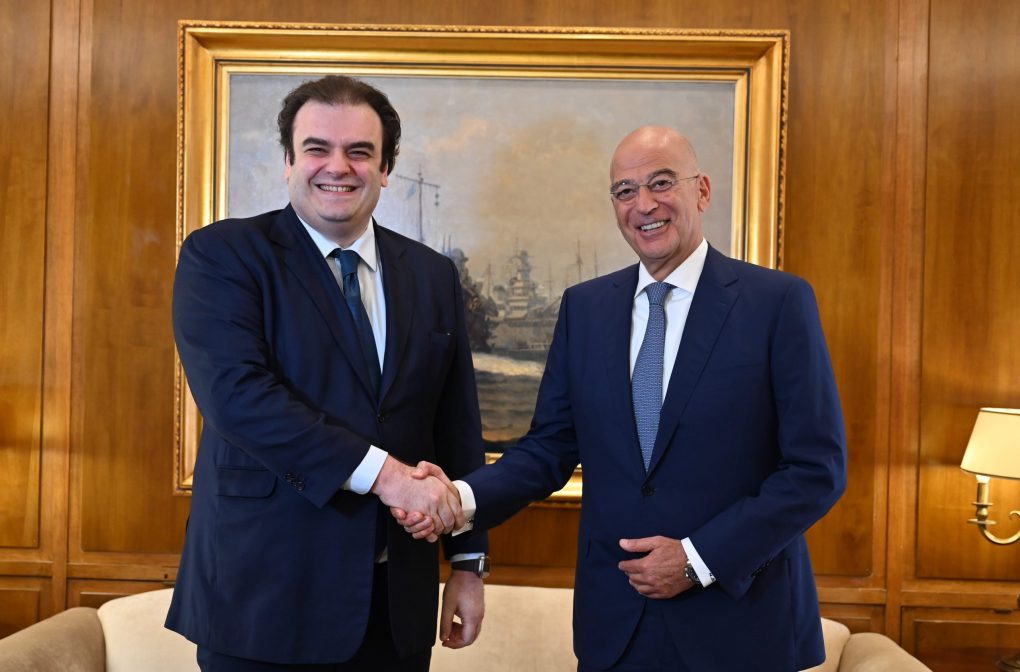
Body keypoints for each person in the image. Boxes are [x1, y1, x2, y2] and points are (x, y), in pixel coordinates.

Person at [397, 126, 847, 671]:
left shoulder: (777, 302)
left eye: (662, 182)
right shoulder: (585, 308)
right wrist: (459, 498)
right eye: (626, 191)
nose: (644, 204)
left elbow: (816, 469)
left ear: (702, 191)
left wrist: (697, 560)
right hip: (617, 626)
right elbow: (548, 449)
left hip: (742, 626)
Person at [166, 74, 488, 672]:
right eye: (317, 148)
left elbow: (456, 426)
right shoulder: (223, 256)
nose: (337, 166)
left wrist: (468, 563)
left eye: (359, 151)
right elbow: (239, 399)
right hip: (264, 601)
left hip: (396, 609)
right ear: (289, 161)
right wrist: (388, 477)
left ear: (385, 169)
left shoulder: (433, 275)